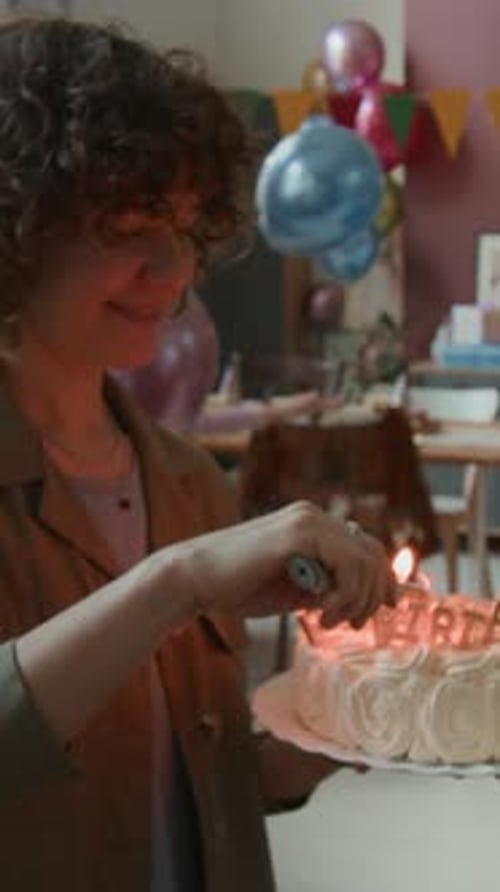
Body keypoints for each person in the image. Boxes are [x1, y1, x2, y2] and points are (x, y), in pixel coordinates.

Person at [0, 16, 397, 892]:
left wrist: (327, 737)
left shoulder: (184, 481)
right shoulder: (192, 549)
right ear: (18, 227)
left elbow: (202, 784)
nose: (173, 268)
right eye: (127, 224)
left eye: (183, 228)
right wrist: (175, 583)